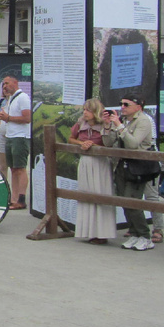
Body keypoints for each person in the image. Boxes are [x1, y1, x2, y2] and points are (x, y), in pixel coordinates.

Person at [102, 95, 156, 251]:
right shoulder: (124, 121)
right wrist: (107, 126)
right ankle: (134, 233)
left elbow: (133, 144)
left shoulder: (143, 121)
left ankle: (145, 235)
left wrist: (119, 125)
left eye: (126, 104)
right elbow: (108, 143)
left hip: (137, 166)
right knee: (123, 201)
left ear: (138, 106)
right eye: (121, 104)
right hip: (121, 165)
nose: (122, 107)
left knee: (132, 200)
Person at [69, 99, 117, 244]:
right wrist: (81, 143)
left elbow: (109, 143)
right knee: (86, 194)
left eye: (88, 110)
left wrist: (94, 144)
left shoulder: (104, 124)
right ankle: (87, 230)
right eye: (84, 110)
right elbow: (71, 138)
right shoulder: (80, 124)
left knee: (100, 193)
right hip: (85, 162)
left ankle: (102, 233)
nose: (85, 113)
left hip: (100, 163)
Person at [0, 76, 31, 210]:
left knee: (20, 168)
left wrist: (8, 118)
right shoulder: (11, 98)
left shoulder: (23, 97)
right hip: (10, 136)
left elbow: (27, 118)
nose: (4, 86)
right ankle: (14, 198)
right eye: (3, 84)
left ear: (15, 83)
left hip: (20, 137)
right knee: (13, 169)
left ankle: (21, 199)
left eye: (7, 83)